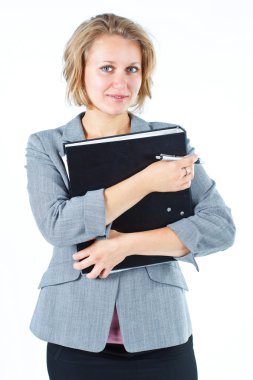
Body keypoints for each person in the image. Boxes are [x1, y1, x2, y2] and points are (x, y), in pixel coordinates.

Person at [25, 13, 235, 380]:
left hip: (161, 334)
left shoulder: (171, 141)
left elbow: (220, 227)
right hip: (74, 336)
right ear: (80, 71)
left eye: (132, 69)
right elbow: (57, 226)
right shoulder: (47, 145)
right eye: (107, 68)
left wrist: (124, 245)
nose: (121, 82)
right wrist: (148, 180)